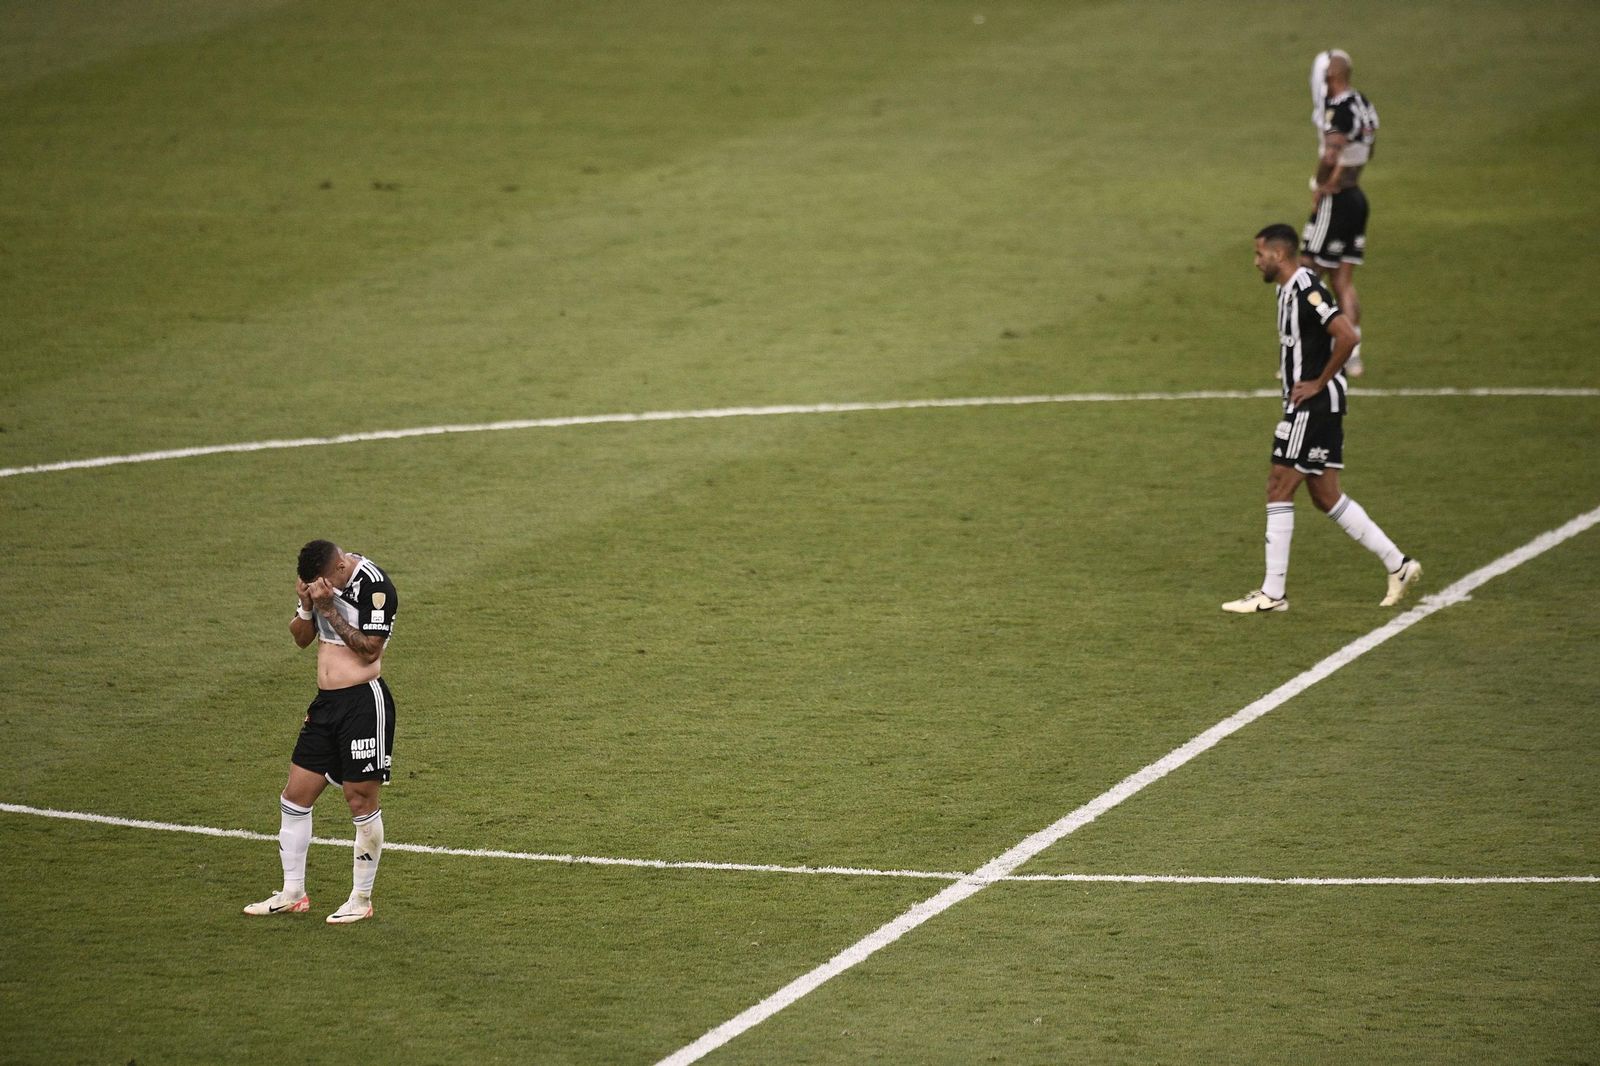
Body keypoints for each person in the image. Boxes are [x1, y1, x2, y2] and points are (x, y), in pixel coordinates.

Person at [1223, 224, 1421, 614]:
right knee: (1326, 495)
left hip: (1313, 406)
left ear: (1278, 255)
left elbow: (1347, 334)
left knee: (1278, 486)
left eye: (1259, 254)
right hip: (1315, 406)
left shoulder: (1305, 290)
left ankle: (1273, 594)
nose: (1255, 262)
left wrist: (1317, 383)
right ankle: (1398, 565)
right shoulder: (1286, 290)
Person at [244, 540, 399, 923]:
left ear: (340, 568)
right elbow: (301, 638)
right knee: (295, 796)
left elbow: (369, 651)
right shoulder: (320, 587)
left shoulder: (376, 588)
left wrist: (329, 608)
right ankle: (293, 892)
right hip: (325, 706)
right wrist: (307, 605)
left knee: (360, 801)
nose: (317, 589)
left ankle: (361, 900)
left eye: (321, 585)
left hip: (363, 704)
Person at [1302, 49, 1378, 376]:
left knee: (1307, 275)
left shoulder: (1340, 109)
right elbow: (1367, 150)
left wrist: (1320, 184)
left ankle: (1311, 352)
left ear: (1330, 76)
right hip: (1356, 198)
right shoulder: (1364, 104)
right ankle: (1353, 353)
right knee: (1343, 280)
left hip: (1336, 200)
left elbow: (1332, 154)